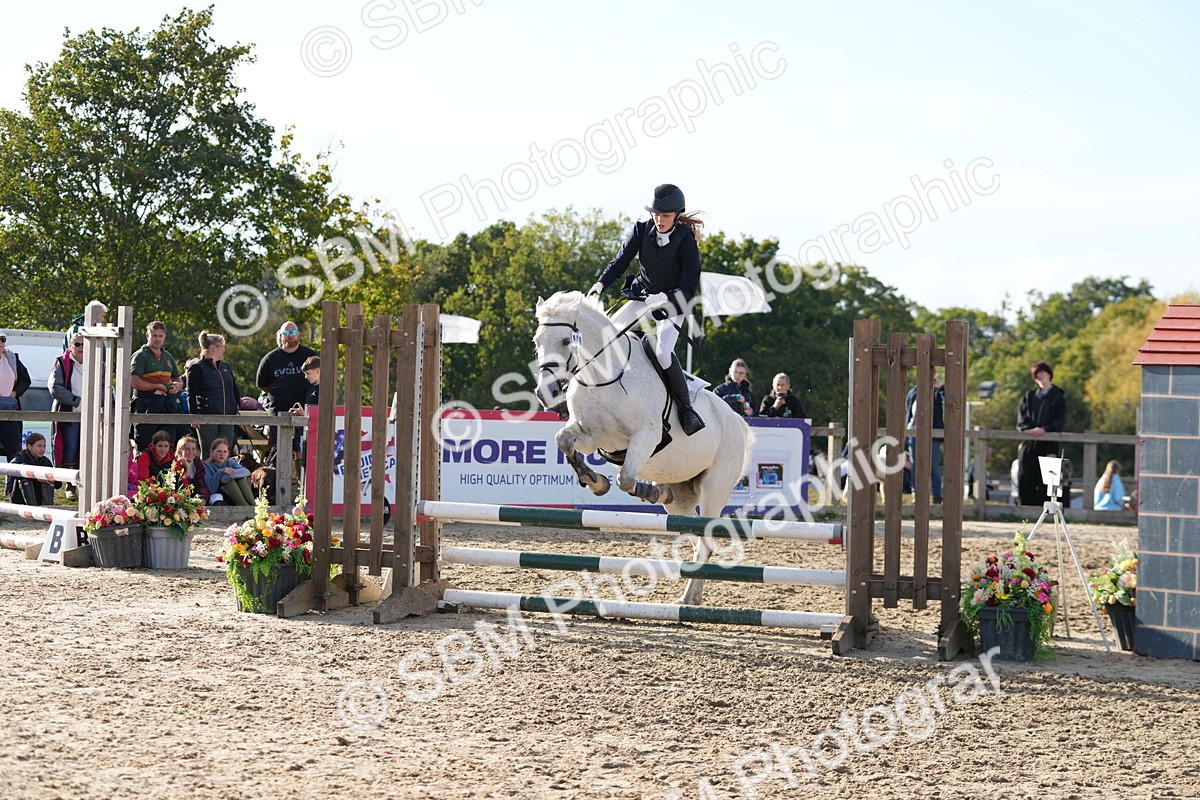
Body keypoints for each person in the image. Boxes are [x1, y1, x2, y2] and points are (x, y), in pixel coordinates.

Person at [587, 183, 705, 435]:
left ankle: (686, 408)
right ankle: (588, 393)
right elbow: (620, 261)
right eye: (656, 214)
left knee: (662, 353)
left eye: (665, 215)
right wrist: (600, 284)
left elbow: (689, 287)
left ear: (676, 215)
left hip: (673, 301)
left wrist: (664, 297)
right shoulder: (641, 231)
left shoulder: (685, 242)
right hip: (643, 294)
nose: (659, 219)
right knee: (608, 337)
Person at [256, 321, 317, 460]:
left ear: (299, 335)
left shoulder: (310, 356)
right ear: (280, 336)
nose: (291, 336)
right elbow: (262, 385)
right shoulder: (270, 359)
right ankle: (275, 481)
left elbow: (321, 379)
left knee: (304, 453)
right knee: (277, 453)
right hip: (278, 413)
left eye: (294, 333)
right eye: (287, 333)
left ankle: (300, 482)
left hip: (305, 412)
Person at [1016, 360, 1067, 506]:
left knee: (1049, 480)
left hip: (1049, 443)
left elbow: (1060, 420)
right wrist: (1028, 430)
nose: (1040, 376)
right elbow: (1021, 418)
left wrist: (1045, 429)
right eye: (1037, 374)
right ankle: (1024, 508)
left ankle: (1047, 509)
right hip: (1030, 442)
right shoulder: (1029, 396)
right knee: (1026, 475)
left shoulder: (1058, 396)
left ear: (1049, 374)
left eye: (1042, 373)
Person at [130, 320, 184, 451]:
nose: (157, 339)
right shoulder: (140, 356)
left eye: (160, 336)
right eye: (154, 335)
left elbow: (177, 377)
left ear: (165, 336)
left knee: (167, 443)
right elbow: (134, 381)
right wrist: (158, 386)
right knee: (145, 444)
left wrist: (179, 385)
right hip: (146, 404)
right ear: (147, 335)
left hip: (166, 404)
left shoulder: (168, 356)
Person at [185, 331, 241, 455]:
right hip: (207, 416)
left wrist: (236, 404)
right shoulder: (197, 368)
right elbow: (191, 393)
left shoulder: (226, 367)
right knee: (208, 453)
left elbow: (234, 388)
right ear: (213, 348)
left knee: (225, 452)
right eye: (222, 346)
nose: (224, 350)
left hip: (228, 416)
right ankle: (205, 475)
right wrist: (193, 415)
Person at [49, 333, 86, 500]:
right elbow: (54, 387)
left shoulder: (98, 364)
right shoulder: (61, 362)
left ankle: (87, 485)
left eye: (84, 345)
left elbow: (104, 386)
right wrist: (76, 401)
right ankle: (70, 485)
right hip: (70, 412)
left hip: (91, 414)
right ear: (71, 346)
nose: (81, 348)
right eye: (77, 344)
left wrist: (94, 402)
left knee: (88, 449)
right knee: (70, 448)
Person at [906, 374, 945, 503]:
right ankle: (916, 494)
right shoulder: (913, 393)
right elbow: (908, 413)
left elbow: (948, 403)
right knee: (915, 465)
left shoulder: (935, 393)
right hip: (914, 432)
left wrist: (940, 387)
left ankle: (937, 495)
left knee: (933, 465)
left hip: (933, 433)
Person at [0, 331, 32, 468]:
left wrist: (15, 392)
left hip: (10, 410)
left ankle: (12, 487)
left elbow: (25, 379)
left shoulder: (12, 358)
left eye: (2, 339)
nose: (0, 343)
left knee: (14, 451)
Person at [9, 433, 58, 506]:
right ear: (29, 446)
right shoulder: (20, 457)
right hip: (20, 498)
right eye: (39, 446)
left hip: (40, 496)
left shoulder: (46, 461)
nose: (42, 449)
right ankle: (32, 507)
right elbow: (11, 472)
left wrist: (50, 479)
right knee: (25, 479)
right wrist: (36, 476)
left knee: (49, 481)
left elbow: (58, 484)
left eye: (44, 446)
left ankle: (48, 507)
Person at [203, 437, 255, 506]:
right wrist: (221, 472)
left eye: (225, 451)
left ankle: (253, 506)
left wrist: (228, 476)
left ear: (228, 453)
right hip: (218, 495)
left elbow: (246, 471)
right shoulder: (206, 466)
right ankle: (244, 507)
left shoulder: (230, 462)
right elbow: (211, 489)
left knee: (241, 480)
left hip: (234, 493)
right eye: (219, 451)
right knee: (230, 482)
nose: (222, 454)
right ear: (212, 452)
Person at [174, 436, 210, 504]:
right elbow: (181, 486)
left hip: (195, 494)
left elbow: (201, 482)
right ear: (180, 451)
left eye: (193, 449)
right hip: (181, 496)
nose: (191, 452)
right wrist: (187, 468)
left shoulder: (197, 462)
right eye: (187, 449)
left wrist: (203, 497)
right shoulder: (176, 464)